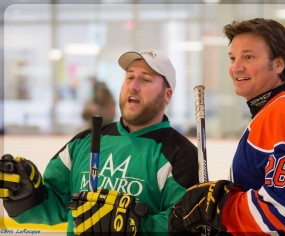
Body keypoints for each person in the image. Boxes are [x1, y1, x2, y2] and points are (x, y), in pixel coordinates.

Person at [0, 49, 200, 235]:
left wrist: (134, 226)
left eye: (146, 79)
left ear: (167, 96)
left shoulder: (181, 154)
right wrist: (24, 197)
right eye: (129, 77)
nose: (134, 85)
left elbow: (185, 222)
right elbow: (54, 204)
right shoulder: (83, 142)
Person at [169, 18, 285, 235]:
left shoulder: (284, 112)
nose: (236, 67)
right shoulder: (270, 112)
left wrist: (221, 210)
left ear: (279, 64)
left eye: (248, 57)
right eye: (232, 58)